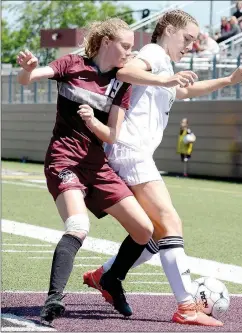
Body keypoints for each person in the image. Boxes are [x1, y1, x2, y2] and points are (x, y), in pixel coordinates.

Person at [82, 9, 242, 327]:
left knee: (156, 234)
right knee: (170, 222)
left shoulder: (163, 63)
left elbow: (185, 90)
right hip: (129, 152)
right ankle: (186, 306)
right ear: (169, 31)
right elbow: (126, 71)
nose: (190, 45)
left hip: (130, 153)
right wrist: (165, 77)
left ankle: (105, 275)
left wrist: (229, 80)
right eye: (187, 38)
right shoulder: (154, 53)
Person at [16, 18, 155, 324]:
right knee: (78, 226)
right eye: (126, 46)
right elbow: (28, 79)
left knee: (144, 230)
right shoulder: (71, 64)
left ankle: (111, 279)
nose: (130, 53)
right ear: (106, 42)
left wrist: (93, 121)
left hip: (97, 166)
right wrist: (28, 69)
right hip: (64, 160)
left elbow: (112, 135)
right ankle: (53, 300)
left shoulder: (123, 82)